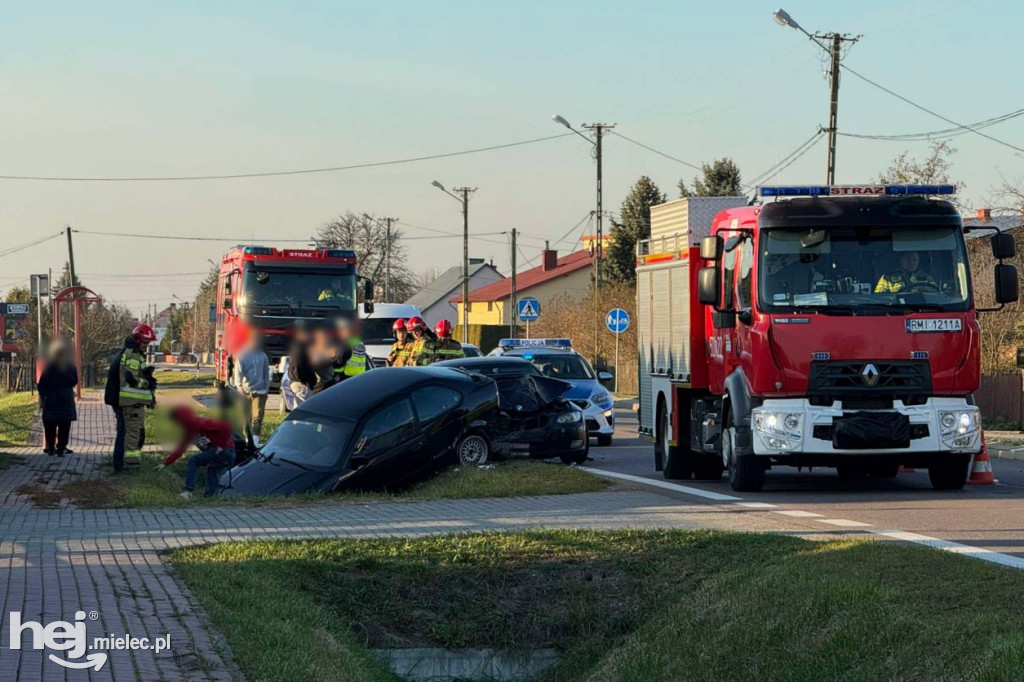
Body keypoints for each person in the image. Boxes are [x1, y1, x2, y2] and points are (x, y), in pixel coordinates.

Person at [105, 324, 157, 472]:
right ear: (138, 340)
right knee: (129, 433)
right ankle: (124, 465)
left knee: (125, 432)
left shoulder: (128, 352)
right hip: (126, 402)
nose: (146, 347)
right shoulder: (133, 355)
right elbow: (131, 379)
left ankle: (121, 464)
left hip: (120, 400)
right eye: (145, 344)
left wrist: (145, 372)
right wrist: (147, 383)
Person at [155, 405, 235, 499]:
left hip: (226, 451)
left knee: (193, 460)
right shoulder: (189, 432)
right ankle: (210, 497)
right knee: (212, 470)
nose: (178, 425)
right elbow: (181, 449)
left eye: (177, 422)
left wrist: (220, 445)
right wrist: (165, 463)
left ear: (182, 419)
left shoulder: (201, 423)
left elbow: (226, 427)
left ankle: (188, 491)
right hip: (221, 452)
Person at [37, 339, 78, 457]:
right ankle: (53, 448)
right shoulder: (52, 367)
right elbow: (42, 384)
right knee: (54, 426)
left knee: (60, 426)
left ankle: (59, 448)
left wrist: (45, 396)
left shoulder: (67, 366)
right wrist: (45, 396)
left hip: (60, 400)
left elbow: (73, 381)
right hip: (56, 400)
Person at [234, 334, 270, 440]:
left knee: (257, 416)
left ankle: (255, 440)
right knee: (245, 418)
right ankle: (247, 438)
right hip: (245, 391)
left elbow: (266, 375)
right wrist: (239, 387)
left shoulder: (263, 356)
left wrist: (266, 389)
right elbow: (238, 374)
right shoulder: (242, 355)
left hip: (260, 392)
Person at [287, 321, 319, 405]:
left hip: (299, 383)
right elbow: (299, 367)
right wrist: (309, 382)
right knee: (303, 411)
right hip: (302, 384)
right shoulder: (301, 348)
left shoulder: (296, 346)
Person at [333, 316, 367, 381]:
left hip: (347, 376)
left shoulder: (346, 343)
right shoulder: (360, 343)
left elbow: (341, 361)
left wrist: (337, 375)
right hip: (360, 375)